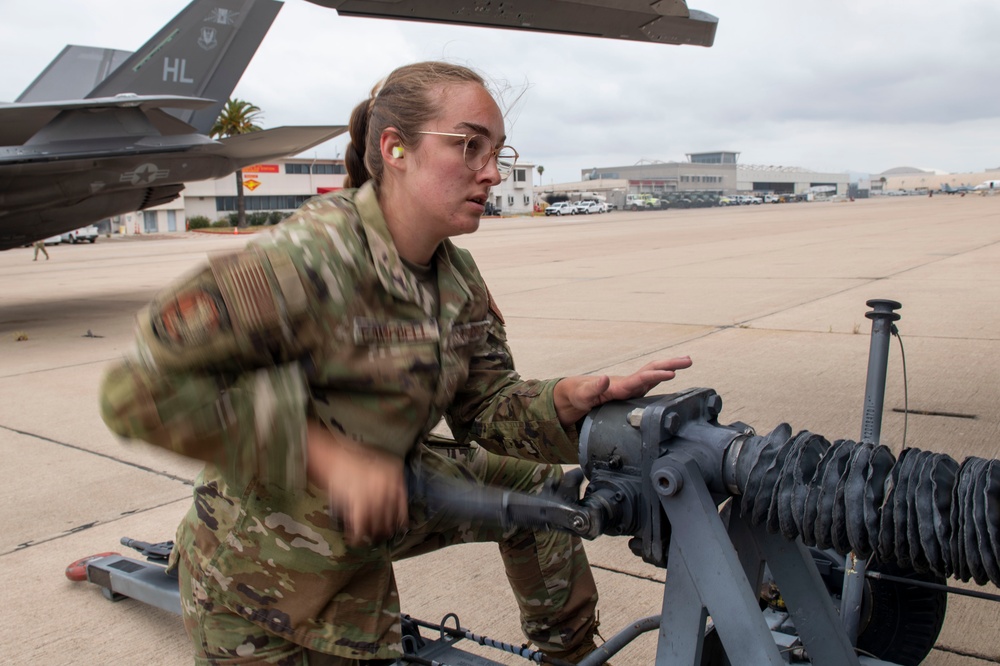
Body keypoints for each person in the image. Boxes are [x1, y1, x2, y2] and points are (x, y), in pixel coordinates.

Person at [99, 60, 692, 664]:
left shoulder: (455, 276)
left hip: (380, 509)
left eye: (498, 152)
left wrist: (569, 397)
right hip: (268, 576)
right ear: (396, 148)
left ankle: (570, 655)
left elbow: (486, 407)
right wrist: (328, 458)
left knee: (540, 498)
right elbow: (138, 390)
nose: (490, 172)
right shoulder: (310, 261)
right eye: (469, 146)